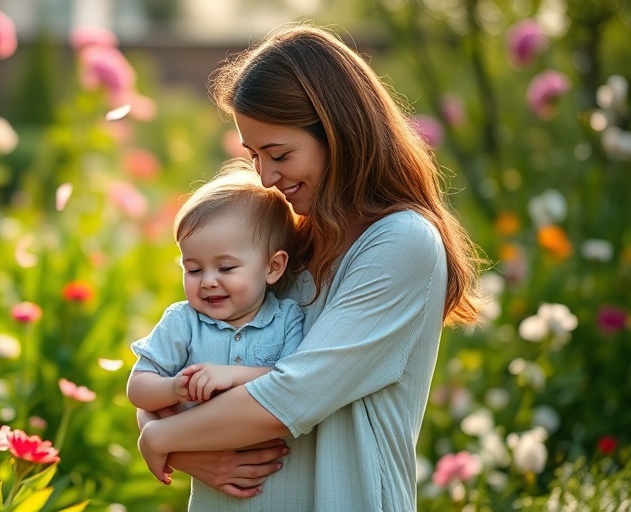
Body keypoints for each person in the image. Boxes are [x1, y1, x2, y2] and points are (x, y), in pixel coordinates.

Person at [135, 21, 487, 511]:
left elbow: (291, 396)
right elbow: (179, 359)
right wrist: (163, 437)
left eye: (279, 154)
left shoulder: (400, 243)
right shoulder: (284, 236)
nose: (267, 176)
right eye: (254, 155)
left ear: (338, 134)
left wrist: (164, 438)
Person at [127, 161, 316, 509]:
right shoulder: (183, 321)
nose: (208, 280)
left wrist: (229, 375)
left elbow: (294, 381)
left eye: (226, 267)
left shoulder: (287, 317)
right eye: (193, 269)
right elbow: (137, 388)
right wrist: (172, 387)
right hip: (214, 496)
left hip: (283, 492)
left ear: (273, 267)